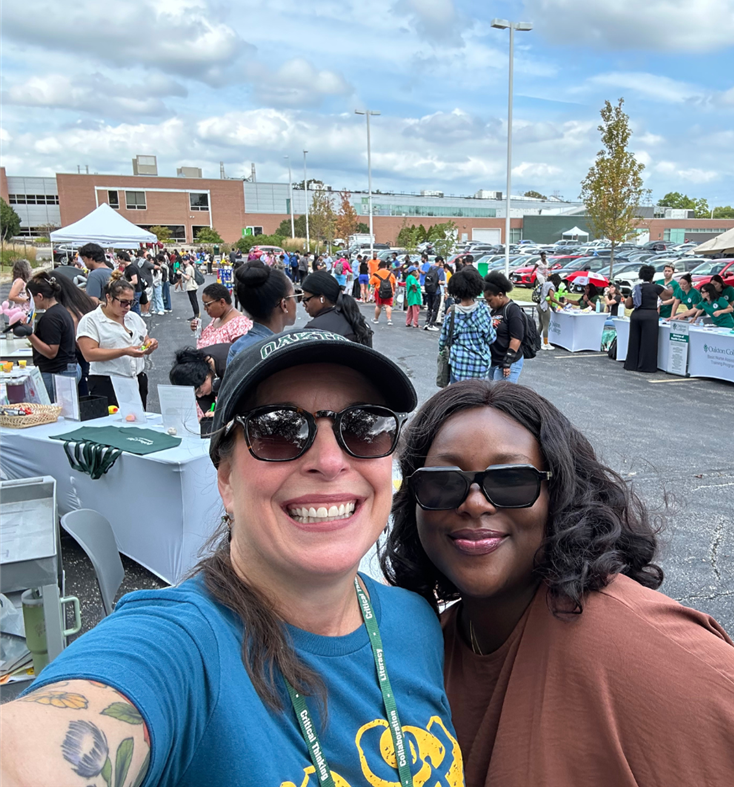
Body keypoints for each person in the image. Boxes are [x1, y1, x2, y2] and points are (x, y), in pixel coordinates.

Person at [1, 329, 466, 787]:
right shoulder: (183, 650)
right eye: (279, 429)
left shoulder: (417, 623)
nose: (329, 461)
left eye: (365, 427)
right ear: (225, 481)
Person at [382, 380, 734, 787]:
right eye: (441, 482)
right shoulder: (424, 642)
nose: (474, 502)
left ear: (560, 494)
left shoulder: (638, 652)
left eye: (512, 480)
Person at [76, 271, 158, 408]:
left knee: (137, 423)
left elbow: (145, 341)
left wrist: (150, 345)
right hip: (107, 382)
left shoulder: (133, 318)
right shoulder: (91, 320)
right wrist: (124, 351)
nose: (127, 307)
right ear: (108, 297)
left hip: (137, 378)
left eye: (131, 302)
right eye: (123, 302)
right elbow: (89, 354)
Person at [18, 273, 80, 401]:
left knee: (54, 412)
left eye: (30, 298)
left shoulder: (51, 317)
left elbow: (51, 352)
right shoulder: (61, 311)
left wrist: (29, 334)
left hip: (57, 372)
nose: (30, 302)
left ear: (39, 296)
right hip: (66, 368)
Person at [226, 261, 298, 364]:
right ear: (284, 304)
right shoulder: (285, 352)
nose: (297, 302)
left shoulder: (237, 348)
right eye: (295, 297)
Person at [439, 269, 496, 383]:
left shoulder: (452, 313)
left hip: (458, 365)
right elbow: (491, 338)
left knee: (458, 397)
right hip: (480, 365)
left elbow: (443, 342)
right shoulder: (483, 310)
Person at [50, 268, 96, 395]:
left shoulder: (67, 310)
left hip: (78, 355)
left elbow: (76, 333)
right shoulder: (81, 300)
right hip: (87, 353)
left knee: (78, 394)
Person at [301, 271, 373, 346]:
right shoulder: (357, 320)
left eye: (306, 299)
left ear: (322, 299)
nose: (303, 304)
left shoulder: (313, 331)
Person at [623, 265, 672, 373]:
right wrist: (671, 287)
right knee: (648, 342)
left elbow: (628, 305)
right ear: (652, 276)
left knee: (634, 340)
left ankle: (632, 364)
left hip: (636, 315)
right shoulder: (656, 287)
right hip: (650, 315)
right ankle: (646, 366)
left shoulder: (636, 288)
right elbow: (666, 296)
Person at [483, 271, 526, 380]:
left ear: (500, 295)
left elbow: (516, 338)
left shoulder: (512, 310)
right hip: (494, 361)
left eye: (490, 300)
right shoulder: (495, 310)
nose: (488, 304)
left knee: (502, 395)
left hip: (508, 364)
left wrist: (507, 363)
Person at [169, 345, 227, 422]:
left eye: (199, 391)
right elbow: (203, 397)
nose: (199, 395)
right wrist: (209, 413)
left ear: (206, 377)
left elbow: (241, 401)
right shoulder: (196, 364)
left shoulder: (227, 364)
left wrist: (222, 415)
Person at [191, 283, 252, 348]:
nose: (205, 309)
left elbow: (240, 354)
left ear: (222, 302)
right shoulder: (218, 317)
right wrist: (200, 330)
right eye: (204, 305)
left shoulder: (239, 325)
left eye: (207, 305)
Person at [535, 272, 563, 351]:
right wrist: (560, 303)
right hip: (545, 307)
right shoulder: (551, 286)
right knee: (546, 326)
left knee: (540, 325)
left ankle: (535, 340)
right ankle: (546, 343)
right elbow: (552, 298)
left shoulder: (545, 283)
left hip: (539, 305)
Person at [6, 260, 32, 329]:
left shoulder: (22, 281)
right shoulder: (20, 282)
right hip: (20, 311)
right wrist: (27, 300)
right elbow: (11, 296)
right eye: (29, 268)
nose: (31, 270)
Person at [423, 257, 446, 332]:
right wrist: (443, 282)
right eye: (441, 262)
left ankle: (427, 322)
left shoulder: (430, 268)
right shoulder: (440, 270)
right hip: (436, 291)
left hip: (429, 290)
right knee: (435, 308)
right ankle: (431, 324)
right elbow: (441, 282)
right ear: (439, 261)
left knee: (429, 307)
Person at [370, 260, 396, 326]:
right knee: (387, 306)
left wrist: (371, 293)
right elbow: (394, 283)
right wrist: (393, 291)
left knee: (378, 305)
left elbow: (371, 284)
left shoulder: (376, 274)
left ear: (379, 266)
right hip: (389, 291)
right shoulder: (390, 274)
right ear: (386, 266)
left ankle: (376, 319)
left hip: (379, 291)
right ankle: (389, 320)